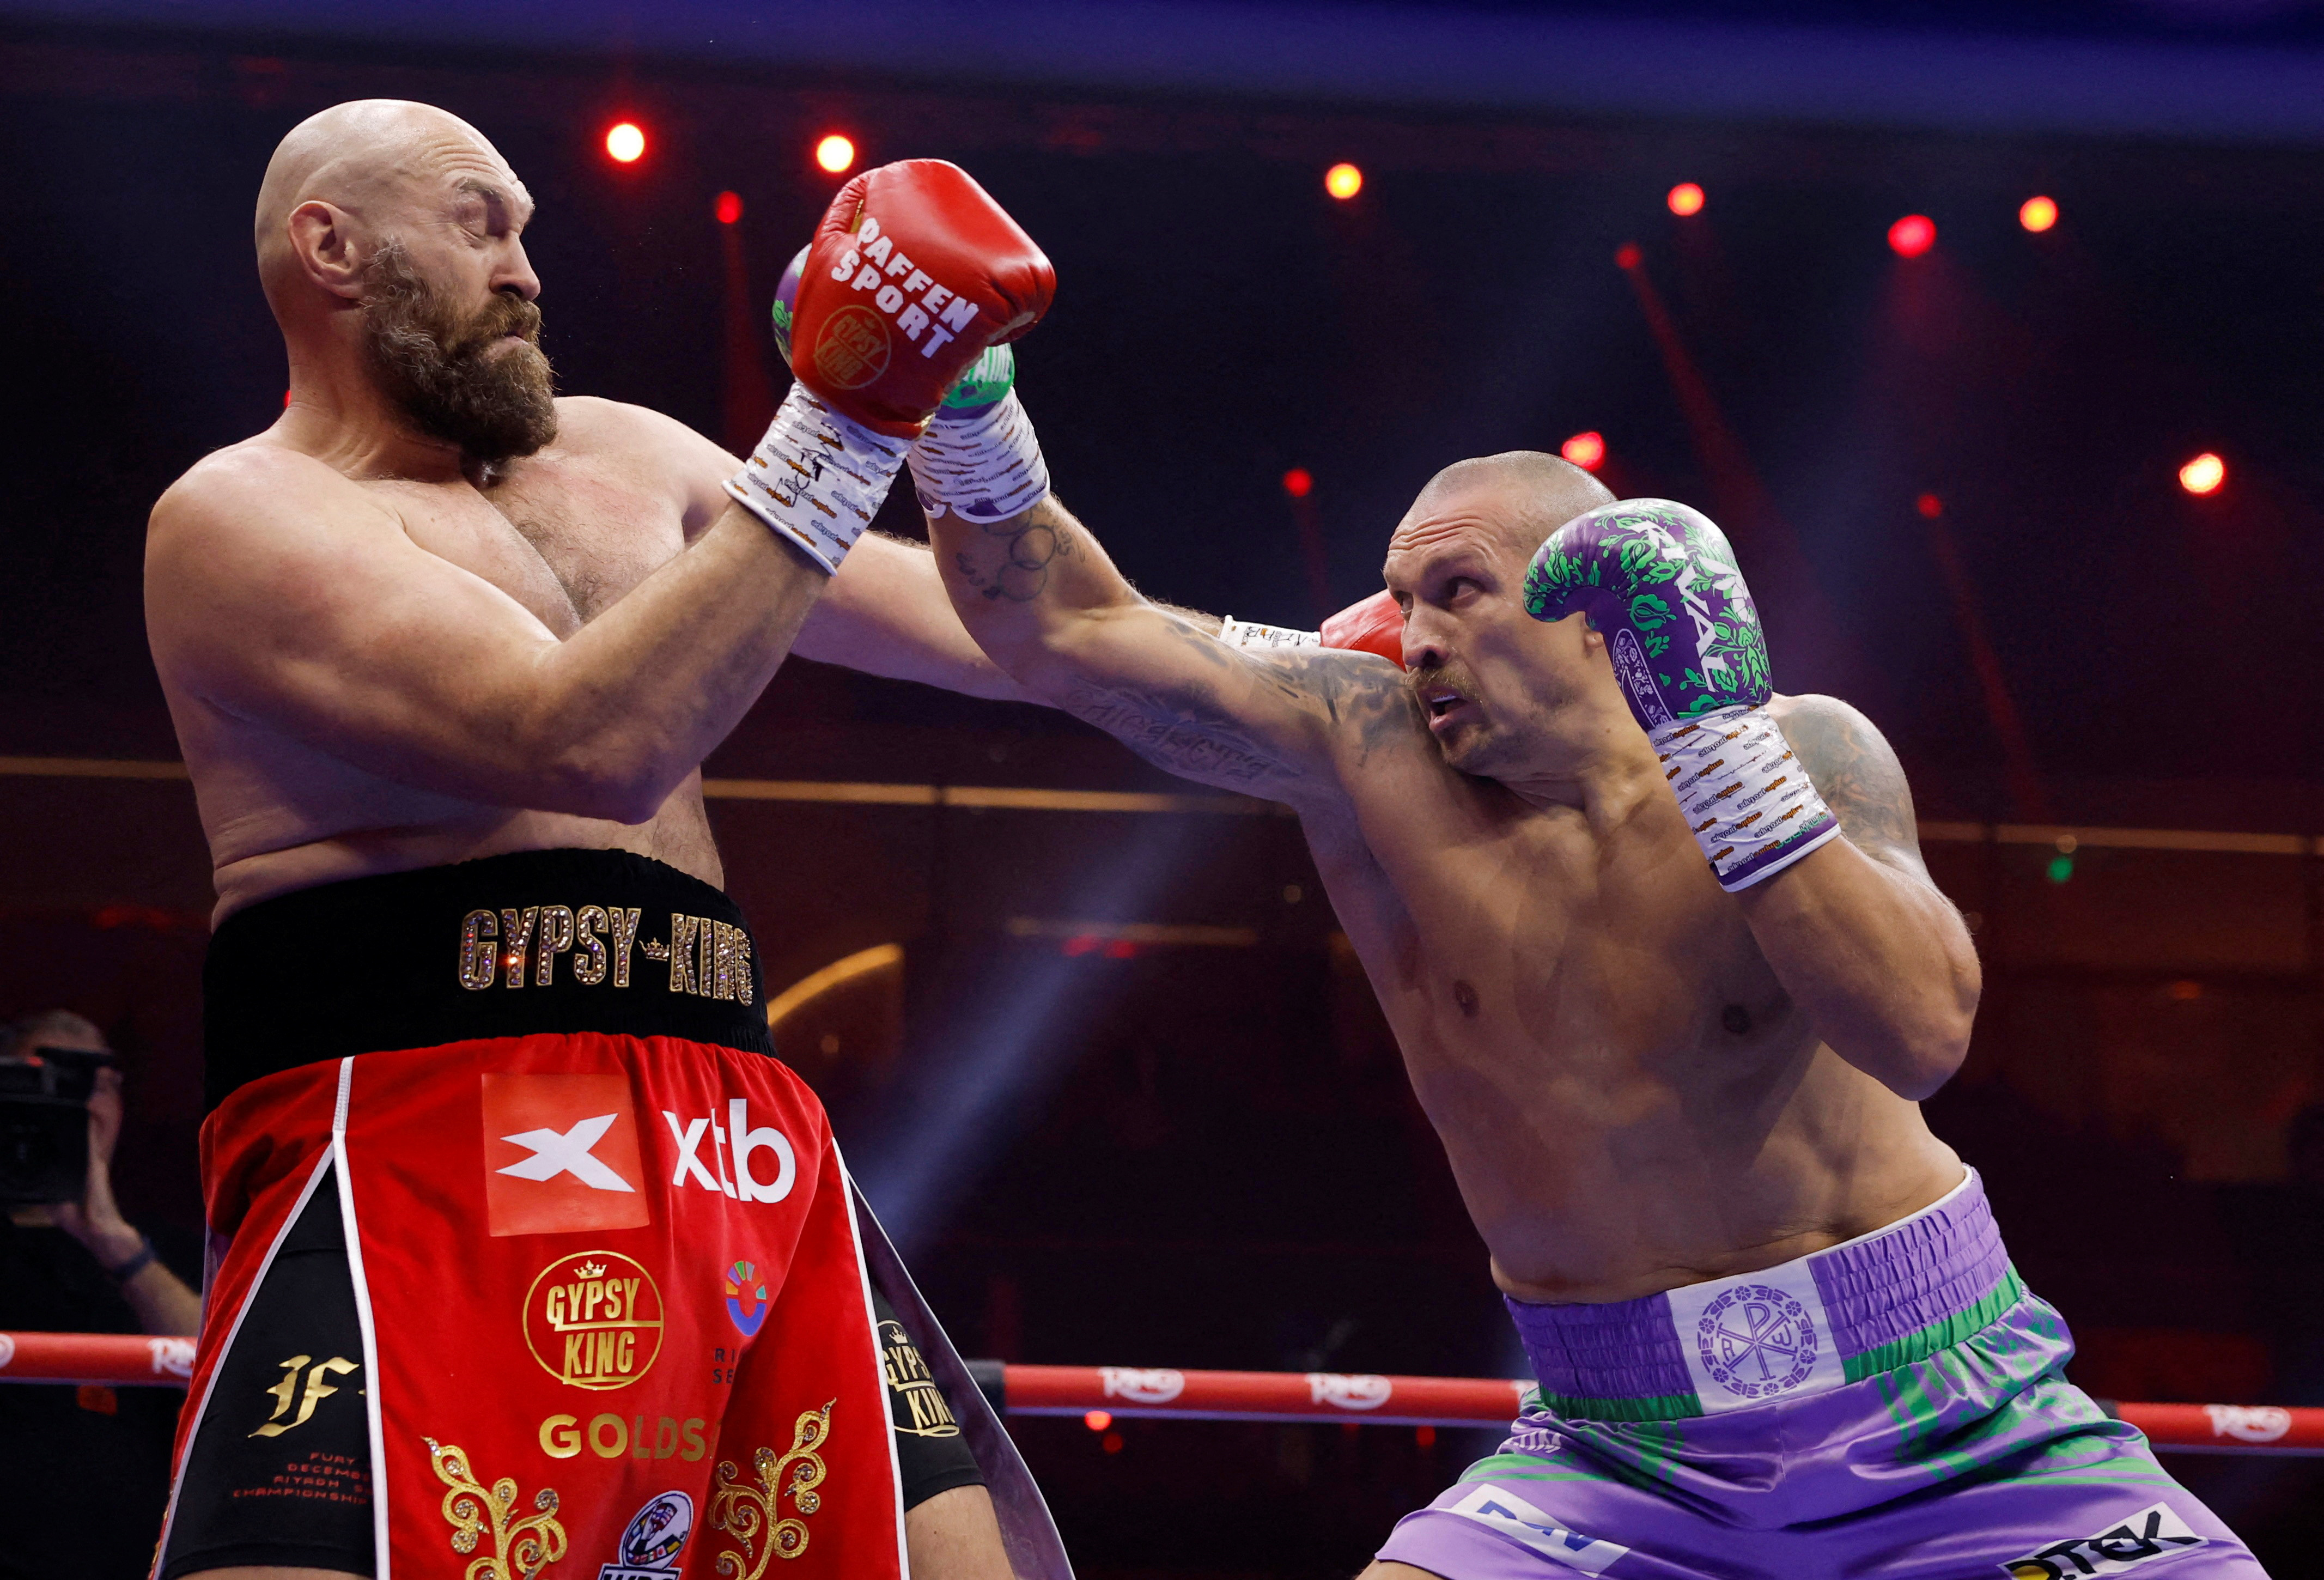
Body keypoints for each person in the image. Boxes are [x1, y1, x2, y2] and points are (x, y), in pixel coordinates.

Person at [912, 415, 2267, 1572]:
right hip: (1616, 1449)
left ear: (1595, 613)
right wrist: (960, 417)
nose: (1415, 635)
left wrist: (1721, 751)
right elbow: (1061, 627)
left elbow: (1917, 1033)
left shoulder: (1800, 744)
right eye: (1401, 599)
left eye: (1460, 591)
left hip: (1952, 1411)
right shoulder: (1364, 747)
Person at [141, 100, 1067, 1580]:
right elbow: (583, 742)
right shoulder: (239, 514)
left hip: (731, 1124)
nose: (526, 270)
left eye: (526, 232)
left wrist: (1352, 670)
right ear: (332, 244)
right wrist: (844, 422)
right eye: (479, 221)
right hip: (422, 1125)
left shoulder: (635, 455)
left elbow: (1025, 637)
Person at [0, 1010, 203, 1579]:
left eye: (103, 1085)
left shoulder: (170, 1251)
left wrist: (113, 1240)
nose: (84, 1104)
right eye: (53, 1082)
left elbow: (239, 1381)